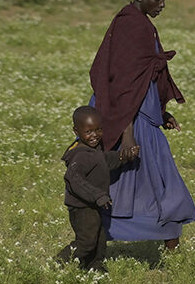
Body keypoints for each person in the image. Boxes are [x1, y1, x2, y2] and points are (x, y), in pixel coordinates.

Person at [89, 0, 195, 250]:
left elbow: (140, 79)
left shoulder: (140, 23)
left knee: (156, 181)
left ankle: (168, 242)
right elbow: (122, 84)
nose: (162, 4)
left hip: (141, 116)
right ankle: (92, 240)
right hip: (130, 120)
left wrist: (161, 114)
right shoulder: (131, 25)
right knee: (156, 182)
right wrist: (127, 134)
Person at [57, 107, 138, 271]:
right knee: (86, 241)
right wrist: (97, 195)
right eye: (88, 132)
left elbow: (104, 160)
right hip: (82, 207)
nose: (94, 135)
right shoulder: (80, 155)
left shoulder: (94, 149)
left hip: (93, 204)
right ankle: (59, 262)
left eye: (98, 130)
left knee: (99, 238)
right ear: (76, 131)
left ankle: (95, 265)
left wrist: (122, 156)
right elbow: (74, 178)